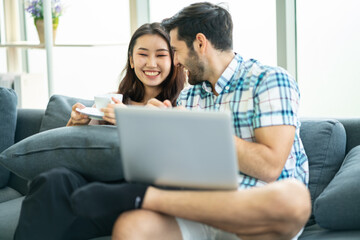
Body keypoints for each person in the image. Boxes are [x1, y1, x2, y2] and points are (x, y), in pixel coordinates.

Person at [69, 2, 311, 240]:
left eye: (175, 51)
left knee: (293, 199)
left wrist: (187, 126)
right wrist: (160, 130)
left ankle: (143, 196)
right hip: (199, 207)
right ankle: (143, 195)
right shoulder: (189, 95)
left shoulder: (269, 79)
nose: (174, 62)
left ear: (200, 43)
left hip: (257, 211)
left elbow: (269, 167)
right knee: (132, 226)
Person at [13, 22, 186, 240]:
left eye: (161, 55)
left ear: (174, 60)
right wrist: (76, 124)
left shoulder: (179, 105)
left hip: (133, 195)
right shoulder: (111, 101)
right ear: (131, 60)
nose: (151, 63)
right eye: (143, 54)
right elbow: (71, 151)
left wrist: (130, 119)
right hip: (94, 187)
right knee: (53, 179)